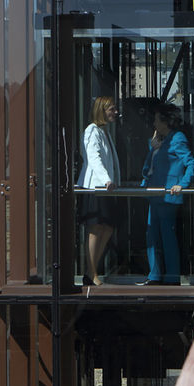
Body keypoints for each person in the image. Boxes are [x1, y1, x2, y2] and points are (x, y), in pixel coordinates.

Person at [138, 104, 194, 285]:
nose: (153, 123)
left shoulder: (177, 139)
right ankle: (154, 275)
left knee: (167, 236)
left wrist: (182, 184)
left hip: (168, 195)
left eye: (156, 119)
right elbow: (147, 170)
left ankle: (172, 277)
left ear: (164, 121)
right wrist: (152, 149)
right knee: (152, 236)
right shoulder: (159, 140)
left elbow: (191, 163)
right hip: (155, 194)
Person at [76, 96, 121, 286]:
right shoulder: (91, 131)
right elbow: (93, 158)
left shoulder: (105, 132)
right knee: (95, 229)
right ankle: (92, 272)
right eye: (112, 109)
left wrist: (114, 181)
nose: (115, 112)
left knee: (108, 227)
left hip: (106, 187)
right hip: (96, 186)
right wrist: (107, 179)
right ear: (102, 110)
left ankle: (91, 270)